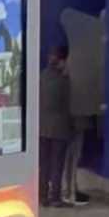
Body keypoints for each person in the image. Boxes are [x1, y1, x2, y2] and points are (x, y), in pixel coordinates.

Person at [39, 45, 72, 208]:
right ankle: (55, 198)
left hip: (41, 127)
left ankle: (42, 196)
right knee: (57, 164)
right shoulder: (64, 81)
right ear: (62, 61)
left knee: (43, 163)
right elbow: (69, 104)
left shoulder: (41, 77)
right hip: (59, 129)